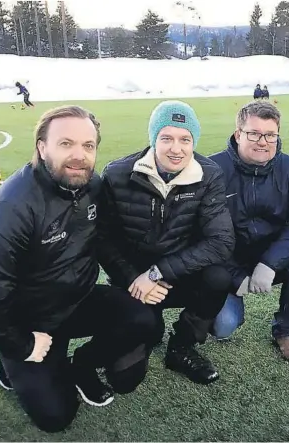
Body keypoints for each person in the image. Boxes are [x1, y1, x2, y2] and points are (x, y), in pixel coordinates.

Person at [0, 105, 160, 433]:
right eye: (66, 143)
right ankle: (10, 362)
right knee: (56, 417)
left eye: (88, 146)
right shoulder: (11, 208)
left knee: (147, 320)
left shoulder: (92, 186)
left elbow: (102, 243)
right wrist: (20, 345)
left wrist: (132, 278)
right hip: (33, 321)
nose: (79, 155)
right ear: (42, 147)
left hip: (78, 299)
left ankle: (82, 363)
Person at [97, 100, 235, 385]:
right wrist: (134, 278)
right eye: (167, 138)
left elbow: (221, 241)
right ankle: (148, 327)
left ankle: (182, 346)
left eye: (185, 139)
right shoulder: (116, 174)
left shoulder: (209, 175)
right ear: (153, 139)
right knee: (125, 378)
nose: (176, 148)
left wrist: (158, 272)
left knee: (219, 277)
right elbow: (103, 238)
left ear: (193, 141)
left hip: (178, 273)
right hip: (134, 280)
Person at [209, 101, 289, 363]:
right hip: (231, 264)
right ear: (238, 134)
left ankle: (286, 330)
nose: (263, 142)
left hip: (274, 259)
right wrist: (235, 277)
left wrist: (269, 263)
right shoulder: (213, 170)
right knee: (223, 327)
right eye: (254, 133)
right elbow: (205, 234)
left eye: (270, 135)